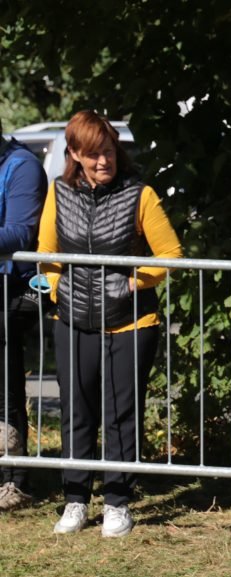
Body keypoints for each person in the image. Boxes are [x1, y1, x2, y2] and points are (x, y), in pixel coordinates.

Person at [39, 111, 183, 536]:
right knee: (76, 412)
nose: (105, 161)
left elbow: (171, 257)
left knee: (122, 413)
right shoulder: (59, 193)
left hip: (131, 323)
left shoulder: (141, 195)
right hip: (71, 319)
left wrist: (130, 284)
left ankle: (118, 501)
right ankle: (75, 499)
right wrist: (55, 288)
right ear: (75, 155)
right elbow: (46, 251)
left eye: (110, 151)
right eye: (94, 154)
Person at [0, 118, 46, 512]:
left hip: (13, 290)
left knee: (3, 380)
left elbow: (19, 233)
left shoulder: (21, 166)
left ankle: (13, 479)